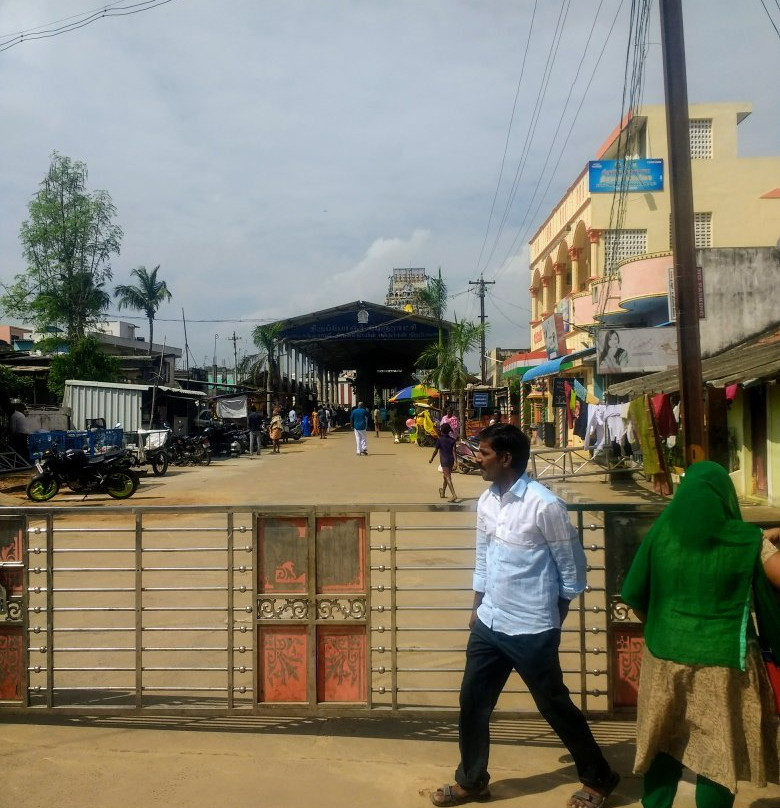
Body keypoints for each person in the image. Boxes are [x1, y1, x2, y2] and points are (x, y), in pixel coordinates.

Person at [431, 423, 619, 808]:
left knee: (554, 705)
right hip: (489, 622)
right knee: (472, 702)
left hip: (532, 627)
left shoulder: (544, 504)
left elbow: (573, 569)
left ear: (505, 458)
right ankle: (472, 780)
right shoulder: (486, 501)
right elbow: (483, 555)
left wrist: (556, 615)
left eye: (483, 454)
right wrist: (476, 607)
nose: (476, 459)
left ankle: (599, 778)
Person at [621, 461, 780, 808]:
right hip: (724, 663)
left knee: (663, 741)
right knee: (717, 753)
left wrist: (658, 628)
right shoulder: (746, 541)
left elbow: (634, 593)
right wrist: (763, 540)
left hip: (664, 658)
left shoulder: (661, 534)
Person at [428, 422, 458, 503]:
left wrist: (431, 459)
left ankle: (454, 495)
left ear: (441, 431)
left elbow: (435, 451)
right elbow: (454, 452)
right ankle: (443, 493)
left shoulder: (440, 440)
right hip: (451, 460)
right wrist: (455, 462)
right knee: (445, 477)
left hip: (444, 461)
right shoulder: (452, 440)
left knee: (447, 477)